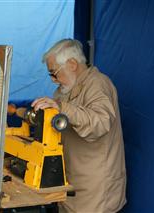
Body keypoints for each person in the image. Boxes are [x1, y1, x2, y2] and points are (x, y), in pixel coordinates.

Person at [31, 39, 126, 213]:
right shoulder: (64, 89)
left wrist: (61, 107)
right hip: (70, 183)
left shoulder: (98, 84)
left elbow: (101, 122)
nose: (53, 80)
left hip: (95, 191)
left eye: (54, 73)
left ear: (72, 64)